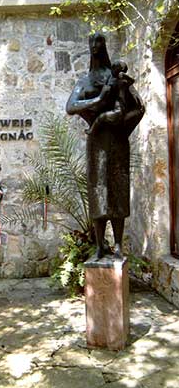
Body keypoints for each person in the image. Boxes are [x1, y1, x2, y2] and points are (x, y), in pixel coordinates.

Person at [66, 33, 145, 259]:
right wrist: (98, 102)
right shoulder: (85, 81)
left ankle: (118, 244)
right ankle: (101, 245)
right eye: (91, 42)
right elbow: (71, 106)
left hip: (118, 140)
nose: (94, 46)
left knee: (118, 189)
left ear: (104, 46)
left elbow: (139, 107)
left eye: (98, 42)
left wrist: (121, 125)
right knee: (97, 190)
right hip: (97, 142)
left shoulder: (116, 76)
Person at [84, 60, 135, 136]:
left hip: (119, 111)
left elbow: (107, 90)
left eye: (114, 68)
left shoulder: (118, 81)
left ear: (117, 70)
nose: (112, 70)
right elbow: (132, 81)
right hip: (120, 107)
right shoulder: (117, 79)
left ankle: (91, 131)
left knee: (100, 118)